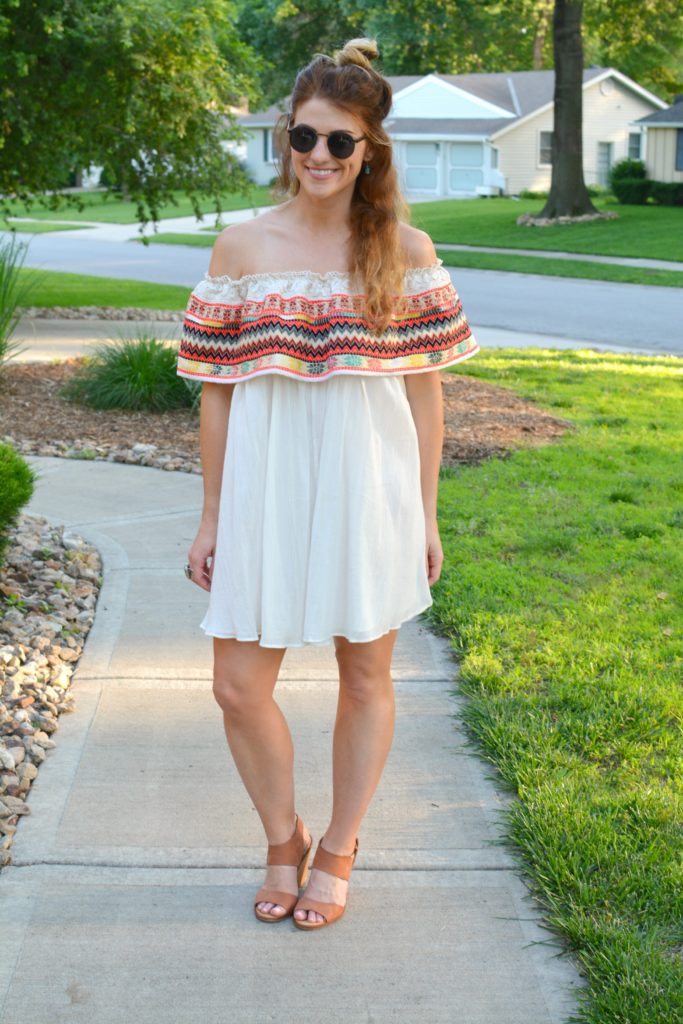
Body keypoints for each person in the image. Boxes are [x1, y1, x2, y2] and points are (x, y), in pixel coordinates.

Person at [177, 37, 479, 931]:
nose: (317, 156)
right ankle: (283, 838)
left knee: (363, 674)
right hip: (263, 491)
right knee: (237, 684)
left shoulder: (404, 250)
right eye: (303, 137)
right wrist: (210, 518)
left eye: (338, 142)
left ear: (369, 150)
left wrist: (423, 516)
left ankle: (339, 849)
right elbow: (218, 398)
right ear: (285, 140)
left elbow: (425, 400)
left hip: (369, 488)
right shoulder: (240, 249)